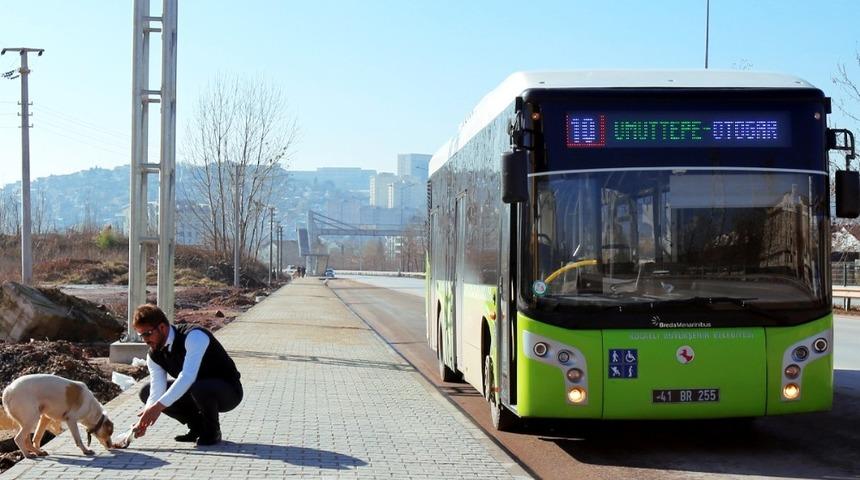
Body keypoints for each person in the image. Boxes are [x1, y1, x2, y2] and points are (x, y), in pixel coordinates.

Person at [131, 304, 242, 446]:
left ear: (162, 328)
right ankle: (197, 428)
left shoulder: (194, 336)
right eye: (141, 335)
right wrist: (144, 419)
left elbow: (188, 376)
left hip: (228, 391)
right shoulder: (154, 355)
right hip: (195, 391)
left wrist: (157, 408)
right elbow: (156, 390)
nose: (145, 340)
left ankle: (212, 431)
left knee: (198, 386)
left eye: (147, 333)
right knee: (146, 392)